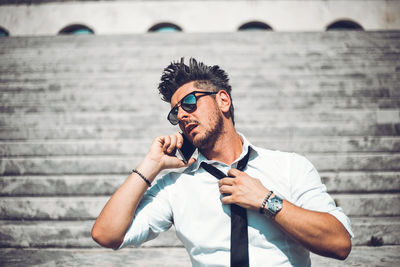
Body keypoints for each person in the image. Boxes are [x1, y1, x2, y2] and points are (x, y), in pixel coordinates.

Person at [92, 57, 353, 266]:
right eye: (175, 112)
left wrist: (267, 201)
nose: (182, 114)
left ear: (223, 100)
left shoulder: (289, 166)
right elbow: (106, 235)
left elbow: (339, 243)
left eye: (190, 102)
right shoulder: (176, 187)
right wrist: (151, 163)